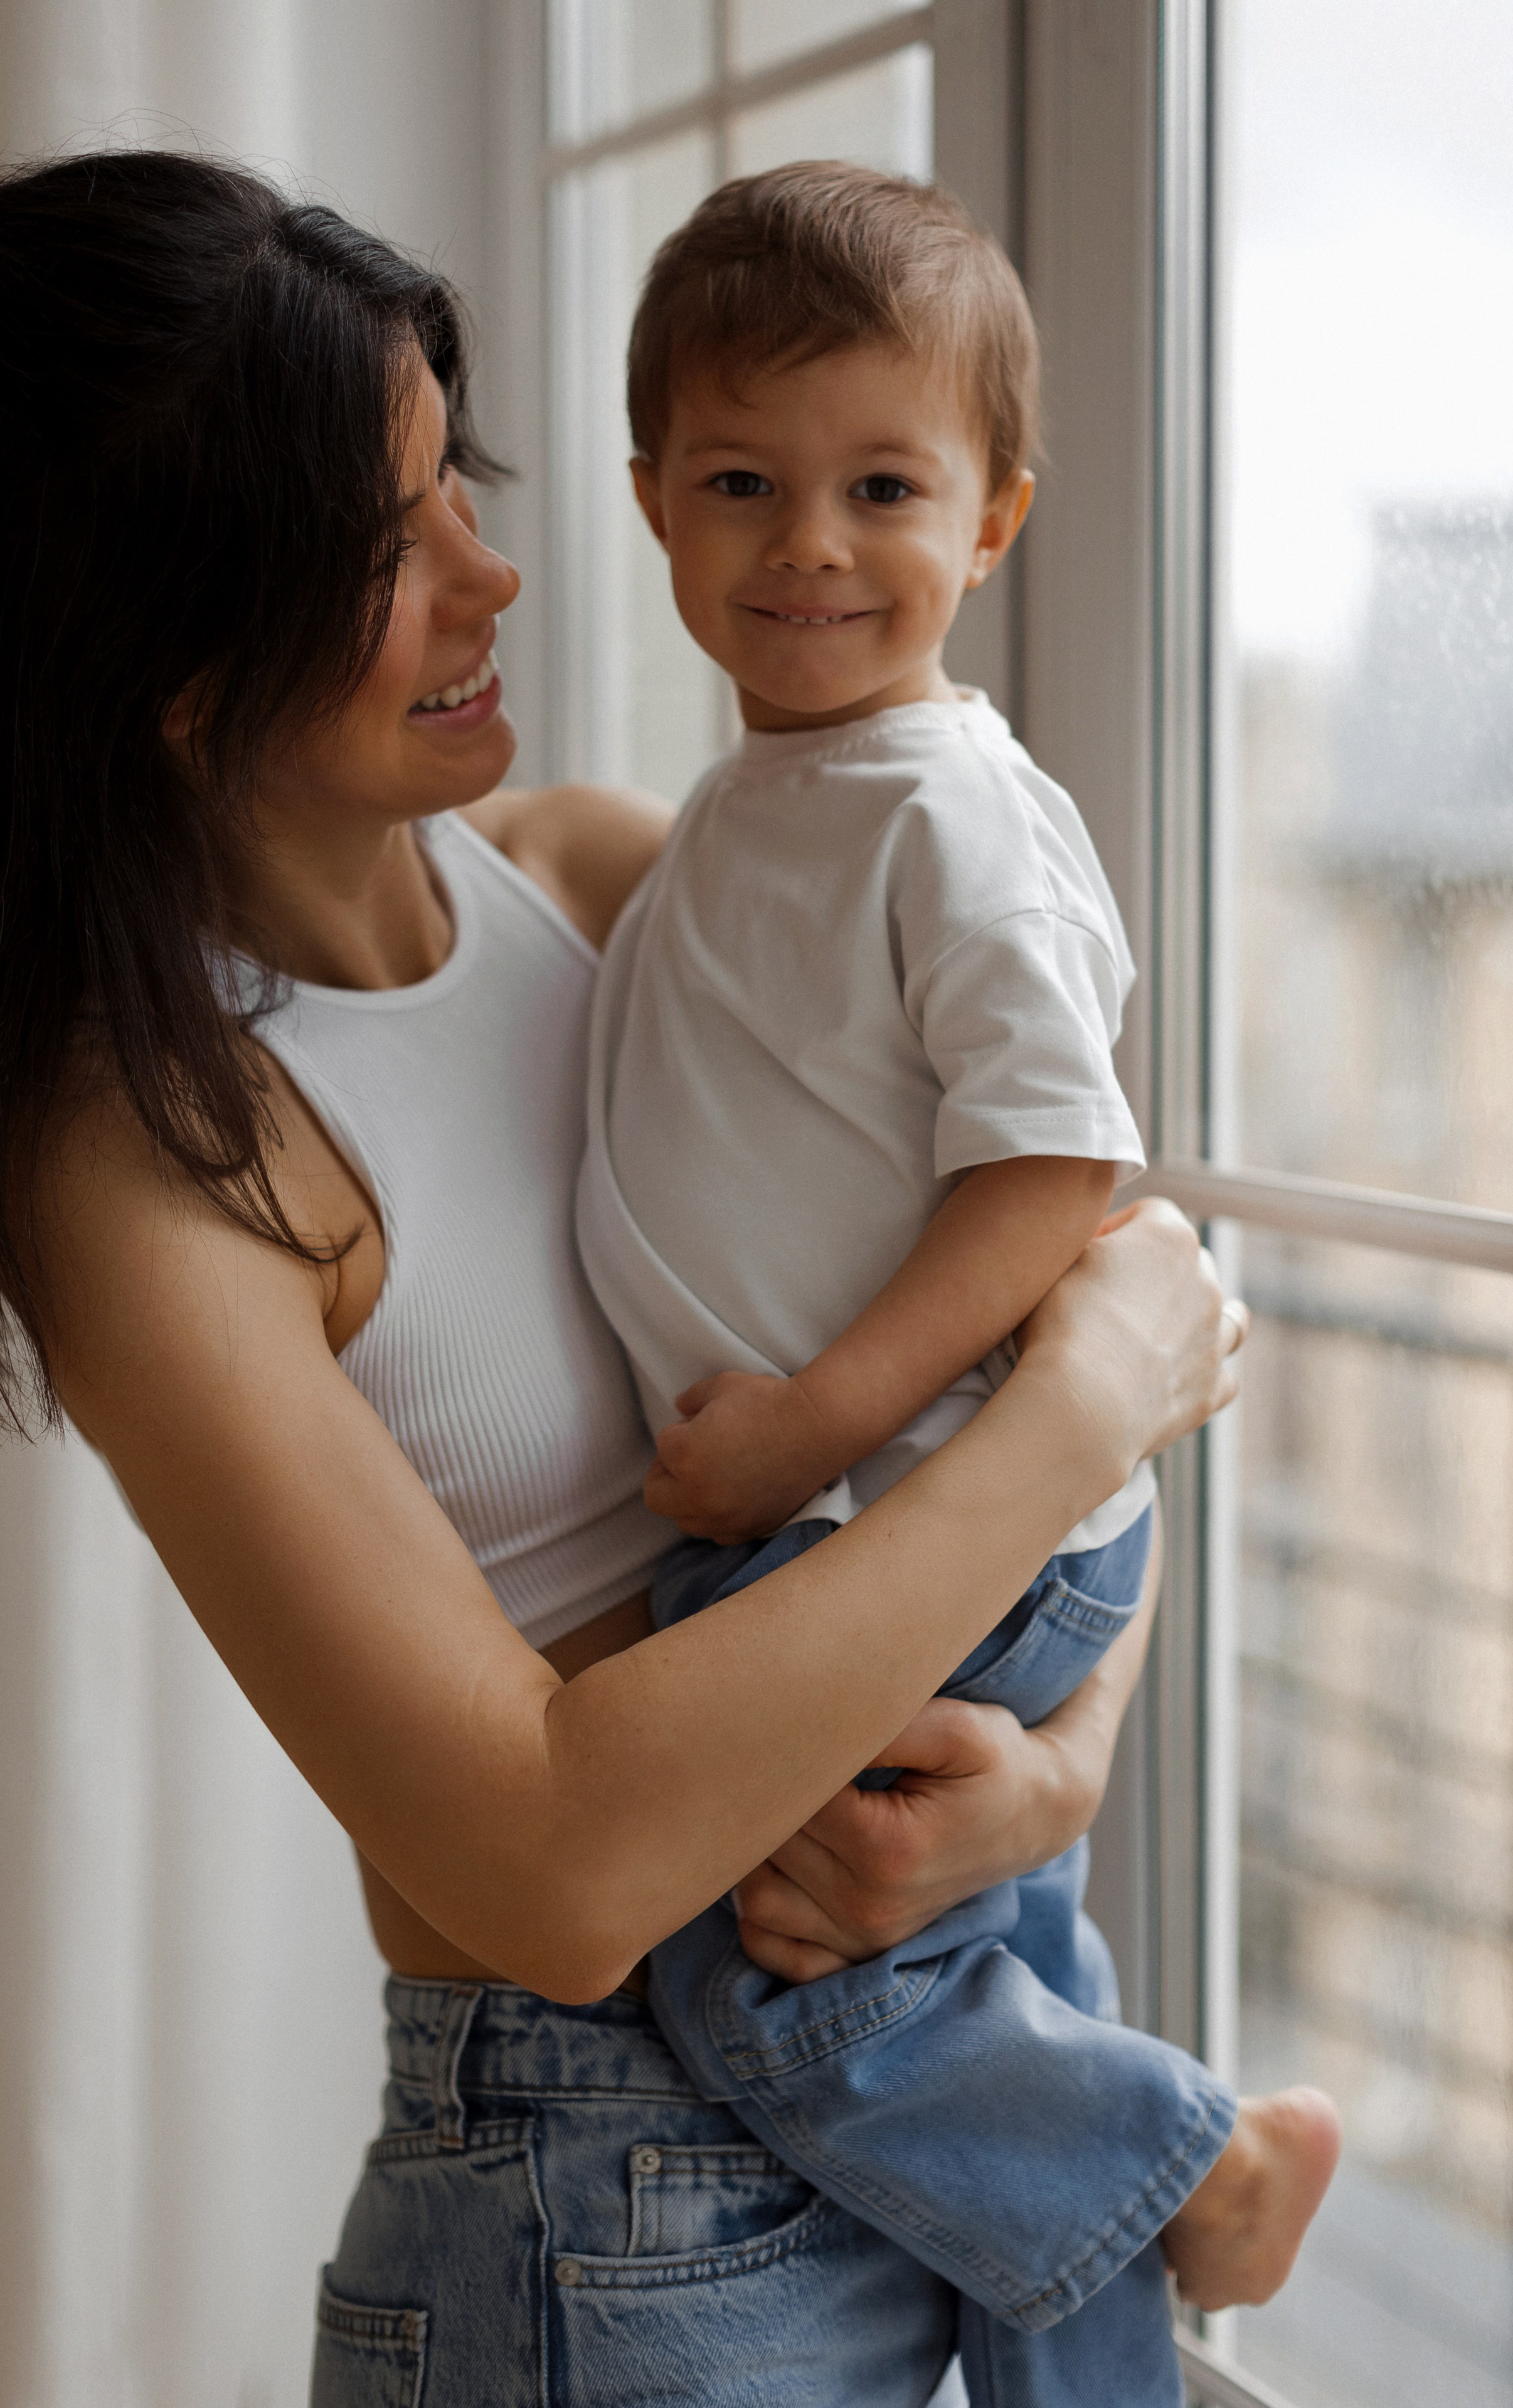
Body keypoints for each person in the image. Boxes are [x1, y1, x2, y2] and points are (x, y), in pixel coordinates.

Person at [0, 155, 1246, 2408]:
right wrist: (1074, 1420)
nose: (496, 573)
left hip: (947, 2038)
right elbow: (548, 1860)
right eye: (385, 546)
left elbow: (1075, 1292)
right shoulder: (149, 1166)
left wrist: (1053, 1775)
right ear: (155, 658)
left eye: (465, 486)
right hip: (601, 2208)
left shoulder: (612, 889)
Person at [579, 164, 1340, 2407]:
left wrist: (815, 1419)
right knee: (976, 1948)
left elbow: (1055, 1171)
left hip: (906, 1500)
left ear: (994, 521)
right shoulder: (768, 798)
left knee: (766, 1955)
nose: (811, 542)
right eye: (746, 482)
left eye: (883, 487)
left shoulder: (950, 815)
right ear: (654, 502)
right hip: (891, 1505)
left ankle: (1179, 2168)